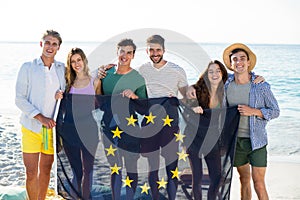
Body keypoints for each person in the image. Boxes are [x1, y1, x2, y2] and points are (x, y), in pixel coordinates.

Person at [222, 43, 280, 200]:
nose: (239, 62)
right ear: (231, 64)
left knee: (259, 183)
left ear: (248, 62)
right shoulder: (225, 84)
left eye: (242, 58)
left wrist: (253, 111)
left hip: (257, 142)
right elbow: (205, 83)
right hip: (236, 141)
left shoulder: (260, 86)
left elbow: (275, 111)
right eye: (235, 59)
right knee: (244, 180)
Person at [15, 30, 65, 200]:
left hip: (50, 132)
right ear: (41, 44)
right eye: (47, 42)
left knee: (45, 170)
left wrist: (103, 69)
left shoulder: (61, 69)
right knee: (30, 172)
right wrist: (41, 118)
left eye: (54, 44)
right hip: (31, 128)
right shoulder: (28, 67)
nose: (50, 47)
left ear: (58, 48)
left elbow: (81, 78)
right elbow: (19, 99)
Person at [138, 35, 189, 200]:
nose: (155, 53)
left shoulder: (177, 70)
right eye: (151, 50)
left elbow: (186, 98)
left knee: (171, 167)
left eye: (158, 50)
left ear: (164, 50)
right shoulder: (142, 70)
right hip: (150, 123)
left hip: (170, 124)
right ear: (147, 51)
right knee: (152, 167)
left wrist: (176, 99)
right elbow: (133, 89)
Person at [100, 38, 147, 200]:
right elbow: (96, 99)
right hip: (108, 127)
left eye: (129, 52)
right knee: (114, 168)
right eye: (122, 51)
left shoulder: (137, 78)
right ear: (117, 52)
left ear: (133, 55)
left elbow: (145, 107)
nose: (124, 56)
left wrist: (134, 96)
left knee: (131, 167)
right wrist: (97, 75)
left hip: (131, 129)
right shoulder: (105, 75)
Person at [56, 47, 101, 199]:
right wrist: (57, 95)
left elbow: (101, 103)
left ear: (84, 60)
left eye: (79, 60)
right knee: (77, 171)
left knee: (88, 170)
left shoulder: (94, 81)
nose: (76, 64)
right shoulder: (66, 83)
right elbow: (55, 101)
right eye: (73, 61)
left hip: (89, 130)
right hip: (69, 131)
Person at [184, 60, 228, 200]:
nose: (214, 74)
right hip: (194, 137)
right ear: (206, 75)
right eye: (211, 71)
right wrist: (193, 107)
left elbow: (241, 76)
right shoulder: (195, 90)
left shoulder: (225, 91)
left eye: (218, 71)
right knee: (196, 177)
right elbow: (183, 106)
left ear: (222, 73)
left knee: (217, 177)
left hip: (212, 138)